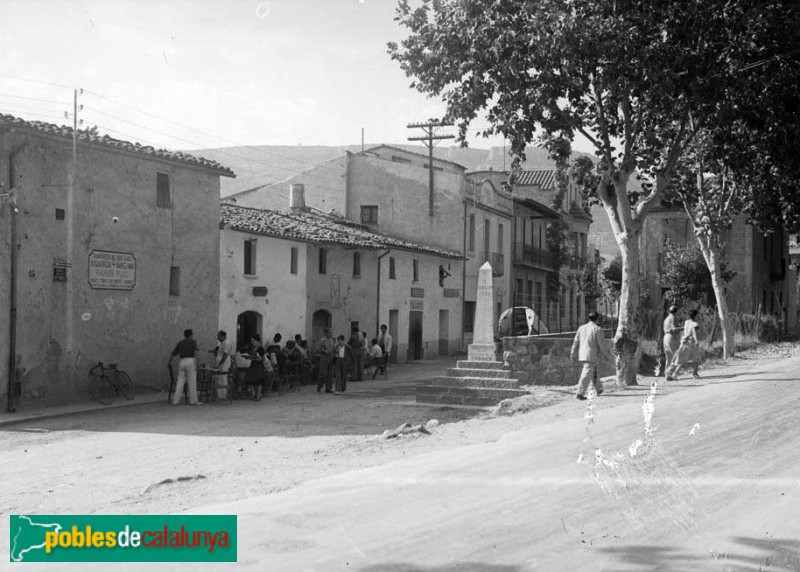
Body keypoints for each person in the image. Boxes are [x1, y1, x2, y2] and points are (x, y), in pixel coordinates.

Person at [570, 312, 611, 400]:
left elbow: (576, 342)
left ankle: (599, 388)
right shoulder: (598, 329)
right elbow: (602, 344)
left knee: (592, 372)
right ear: (597, 319)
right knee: (586, 374)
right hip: (591, 354)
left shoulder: (581, 328)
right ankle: (579, 393)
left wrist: (573, 352)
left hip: (583, 353)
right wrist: (607, 355)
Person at [666, 308, 702, 380]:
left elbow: (685, 331)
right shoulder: (695, 324)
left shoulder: (686, 322)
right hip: (691, 342)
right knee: (696, 358)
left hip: (684, 341)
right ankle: (693, 373)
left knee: (681, 357)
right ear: (696, 316)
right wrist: (697, 341)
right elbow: (694, 332)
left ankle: (673, 373)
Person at [168, 329, 201, 406]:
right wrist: (197, 363)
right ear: (190, 335)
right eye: (192, 334)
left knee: (180, 381)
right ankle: (193, 401)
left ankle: (175, 401)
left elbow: (173, 353)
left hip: (182, 361)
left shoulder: (180, 343)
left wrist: (169, 362)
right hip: (191, 360)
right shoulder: (193, 342)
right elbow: (196, 353)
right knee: (192, 381)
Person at [243, 334, 273, 401]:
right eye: (251, 341)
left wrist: (253, 358)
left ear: (257, 341)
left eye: (253, 341)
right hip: (253, 364)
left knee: (259, 380)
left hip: (259, 365)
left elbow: (261, 359)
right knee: (250, 379)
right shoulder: (253, 348)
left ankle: (258, 395)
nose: (252, 343)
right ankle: (254, 394)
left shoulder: (260, 348)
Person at [208, 330, 233, 399]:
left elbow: (225, 355)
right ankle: (219, 395)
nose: (218, 338)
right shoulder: (222, 343)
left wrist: (219, 364)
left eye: (219, 336)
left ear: (223, 336)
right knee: (219, 379)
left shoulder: (227, 343)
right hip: (221, 362)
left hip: (224, 363)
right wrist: (212, 351)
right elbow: (220, 352)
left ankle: (223, 395)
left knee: (223, 378)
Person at [662, 305, 682, 380]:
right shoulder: (673, 318)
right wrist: (682, 328)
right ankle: (669, 372)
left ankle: (668, 375)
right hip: (672, 337)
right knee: (677, 356)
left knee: (669, 357)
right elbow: (674, 329)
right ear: (676, 311)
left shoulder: (666, 318)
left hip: (666, 337)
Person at [315, 328, 336, 393]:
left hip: (331, 357)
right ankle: (319, 386)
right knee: (323, 373)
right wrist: (323, 351)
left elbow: (334, 348)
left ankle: (328, 388)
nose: (331, 334)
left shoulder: (332, 340)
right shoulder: (322, 341)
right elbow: (317, 350)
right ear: (326, 333)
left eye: (331, 333)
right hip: (324, 357)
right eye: (330, 333)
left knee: (330, 374)